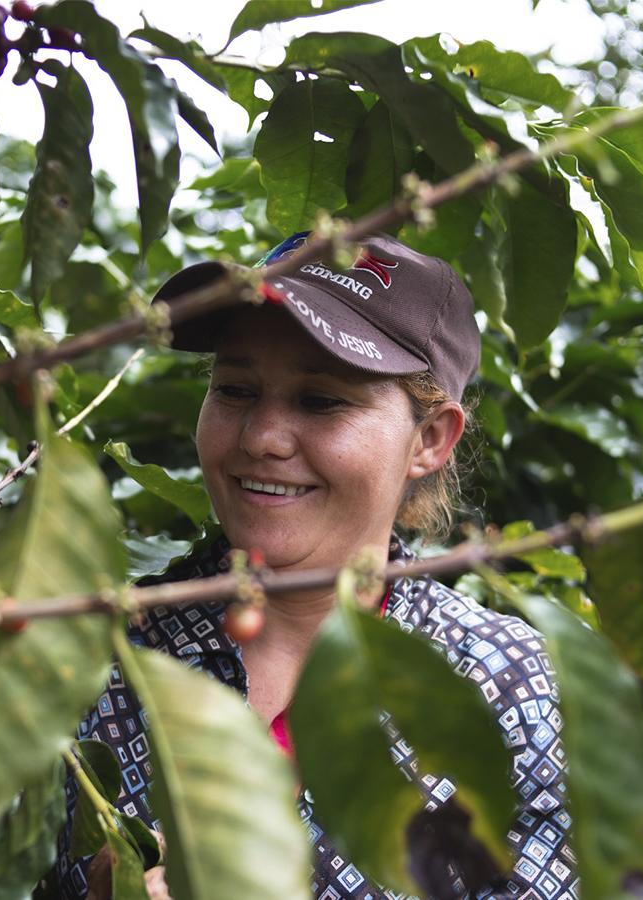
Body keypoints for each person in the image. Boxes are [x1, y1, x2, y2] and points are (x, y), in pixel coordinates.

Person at [52, 232, 578, 899]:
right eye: (237, 390)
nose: (261, 439)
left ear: (429, 439)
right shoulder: (87, 655)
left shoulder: (515, 694)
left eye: (321, 401)